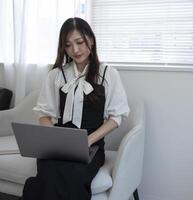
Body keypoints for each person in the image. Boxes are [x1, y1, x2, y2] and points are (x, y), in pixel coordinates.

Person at [20, 17, 130, 200]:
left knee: (73, 174)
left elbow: (116, 117)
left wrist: (87, 140)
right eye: (68, 45)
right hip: (58, 147)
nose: (75, 50)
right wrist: (54, 140)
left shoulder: (108, 73)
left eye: (79, 42)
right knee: (48, 173)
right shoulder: (56, 75)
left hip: (92, 146)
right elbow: (44, 114)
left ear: (91, 40)